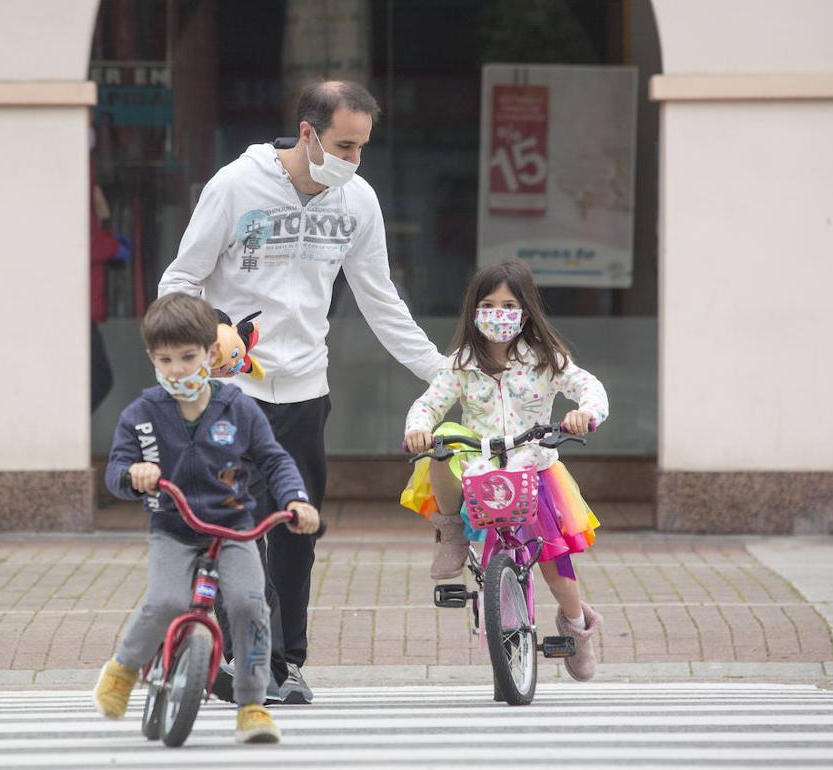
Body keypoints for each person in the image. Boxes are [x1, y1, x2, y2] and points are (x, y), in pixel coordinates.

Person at [159, 80, 444, 703]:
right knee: (241, 529)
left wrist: (444, 373)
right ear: (309, 133)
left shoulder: (357, 200)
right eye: (345, 144)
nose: (355, 159)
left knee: (295, 529)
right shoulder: (235, 185)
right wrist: (210, 335)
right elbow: (178, 280)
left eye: (364, 147)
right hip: (233, 395)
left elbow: (380, 301)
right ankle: (237, 659)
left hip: (306, 394)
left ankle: (285, 665)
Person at [92, 293, 321, 743]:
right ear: (151, 358)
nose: (177, 368)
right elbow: (116, 472)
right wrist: (133, 476)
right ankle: (122, 669)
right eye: (165, 359)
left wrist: (296, 500)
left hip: (233, 530)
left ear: (210, 353)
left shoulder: (238, 408)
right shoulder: (142, 415)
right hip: (173, 530)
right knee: (165, 602)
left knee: (249, 606)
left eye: (188, 357)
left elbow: (274, 460)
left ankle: (253, 705)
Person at [401, 259, 609, 681]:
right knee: (442, 441)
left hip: (533, 469)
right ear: (475, 311)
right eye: (489, 304)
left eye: (509, 305)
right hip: (478, 470)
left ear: (525, 312)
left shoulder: (547, 360)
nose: (498, 314)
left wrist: (584, 413)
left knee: (554, 564)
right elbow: (429, 403)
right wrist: (418, 428)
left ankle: (577, 627)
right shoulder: (460, 363)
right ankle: (451, 532)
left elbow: (588, 386)